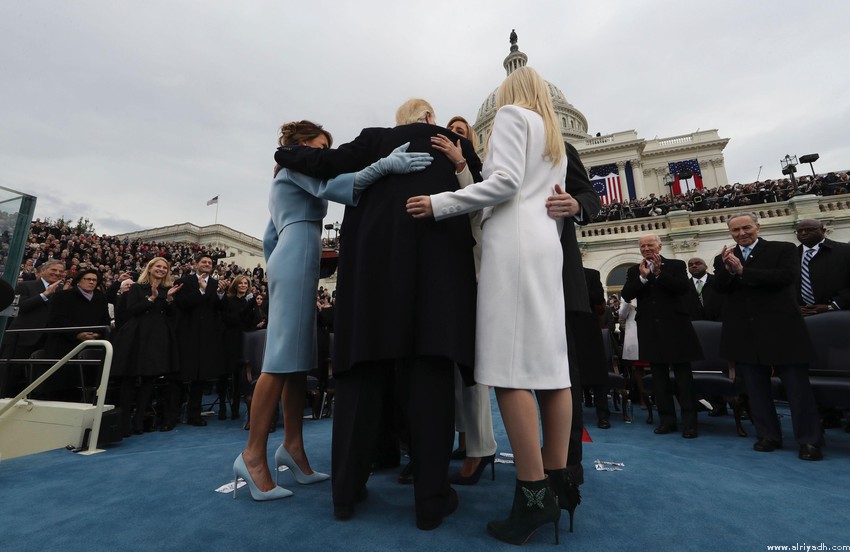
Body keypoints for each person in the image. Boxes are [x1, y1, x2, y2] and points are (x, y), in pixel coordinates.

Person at [275, 100, 479, 529]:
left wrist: (284, 152)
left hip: (372, 277)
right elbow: (484, 187)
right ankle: (430, 501)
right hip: (434, 278)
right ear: (430, 118)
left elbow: (325, 162)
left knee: (360, 377)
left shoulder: (374, 139)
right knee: (430, 378)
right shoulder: (453, 142)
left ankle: (345, 495)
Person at [407, 67, 570, 544]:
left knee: (508, 371)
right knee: (553, 371)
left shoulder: (512, 115)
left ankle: (533, 494)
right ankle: (558, 484)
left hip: (514, 246)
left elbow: (504, 183)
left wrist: (441, 203)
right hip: (545, 245)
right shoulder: (553, 135)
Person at [234, 120, 433, 502]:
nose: (325, 154)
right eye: (320, 146)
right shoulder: (295, 166)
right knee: (279, 362)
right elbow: (335, 188)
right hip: (297, 258)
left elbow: (269, 237)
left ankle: (293, 447)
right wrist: (385, 165)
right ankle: (252, 455)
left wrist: (280, 267)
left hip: (294, 258)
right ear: (301, 143)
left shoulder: (285, 173)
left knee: (296, 363)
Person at [713, 213, 823, 460]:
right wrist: (728, 271)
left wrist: (743, 271)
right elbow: (719, 289)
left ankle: (809, 441)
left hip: (783, 331)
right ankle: (768, 435)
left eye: (746, 228)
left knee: (798, 390)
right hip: (746, 334)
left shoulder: (783, 249)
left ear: (758, 227)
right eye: (735, 230)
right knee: (756, 390)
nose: (741, 233)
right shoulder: (725, 257)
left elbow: (786, 277)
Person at [433, 115, 498, 486]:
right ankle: (466, 440)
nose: (453, 135)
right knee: (455, 369)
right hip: (448, 277)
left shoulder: (477, 171)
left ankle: (481, 447)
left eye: (461, 132)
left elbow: (474, 207)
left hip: (473, 276)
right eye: (450, 130)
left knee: (473, 368)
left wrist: (460, 164)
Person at [545, 142, 604, 490]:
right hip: (509, 274)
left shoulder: (559, 146)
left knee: (563, 373)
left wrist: (578, 205)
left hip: (555, 277)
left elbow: (589, 195)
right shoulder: (500, 148)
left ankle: (567, 463)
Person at [620, 235, 702, 438]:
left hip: (676, 327)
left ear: (659, 246)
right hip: (650, 329)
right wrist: (642, 278)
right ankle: (667, 420)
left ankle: (690, 423)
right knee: (659, 378)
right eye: (643, 246)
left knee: (683, 379)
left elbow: (682, 288)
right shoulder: (634, 270)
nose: (646, 248)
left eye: (650, 245)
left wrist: (658, 274)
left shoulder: (675, 265)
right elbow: (627, 294)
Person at [113, 257, 182, 434]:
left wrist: (169, 299)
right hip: (136, 336)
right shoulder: (137, 287)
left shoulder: (168, 290)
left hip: (157, 338)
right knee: (129, 378)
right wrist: (151, 298)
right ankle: (124, 424)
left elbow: (172, 315)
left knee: (149, 379)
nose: (162, 269)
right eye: (158, 266)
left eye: (165, 268)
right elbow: (132, 310)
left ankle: (138, 422)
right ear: (150, 268)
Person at [171, 252, 226, 427]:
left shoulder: (216, 285)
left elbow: (219, 309)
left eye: (210, 262)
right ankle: (171, 416)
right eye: (204, 262)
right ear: (195, 264)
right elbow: (182, 304)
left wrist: (221, 294)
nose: (207, 264)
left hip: (207, 337)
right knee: (179, 377)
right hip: (186, 335)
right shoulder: (184, 281)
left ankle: (195, 415)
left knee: (200, 378)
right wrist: (201, 290)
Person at [1, 259, 68, 397]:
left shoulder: (64, 291)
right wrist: (44, 295)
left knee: (39, 379)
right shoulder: (25, 286)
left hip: (48, 341)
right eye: (54, 270)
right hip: (22, 339)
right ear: (43, 271)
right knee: (9, 377)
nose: (57, 273)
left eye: (61, 271)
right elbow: (20, 307)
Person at [43, 268, 111, 400]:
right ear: (79, 281)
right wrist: (77, 334)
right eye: (88, 279)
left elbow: (105, 320)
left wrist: (97, 334)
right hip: (64, 344)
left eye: (94, 280)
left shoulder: (100, 298)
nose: (92, 282)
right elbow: (55, 320)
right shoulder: (62, 296)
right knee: (61, 386)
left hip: (91, 344)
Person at [218, 275, 256, 421]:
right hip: (228, 340)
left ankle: (235, 408)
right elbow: (229, 318)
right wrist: (247, 309)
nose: (243, 285)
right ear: (236, 285)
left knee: (238, 376)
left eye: (246, 283)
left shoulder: (250, 301)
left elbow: (251, 321)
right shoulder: (229, 300)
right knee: (224, 375)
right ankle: (222, 407)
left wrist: (250, 308)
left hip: (243, 341)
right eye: (241, 283)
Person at [794, 218, 850, 315]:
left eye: (809, 229)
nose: (803, 233)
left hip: (839, 313)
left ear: (823, 230)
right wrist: (794, 307)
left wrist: (833, 306)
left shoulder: (845, 251)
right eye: (799, 231)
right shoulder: (791, 256)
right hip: (802, 315)